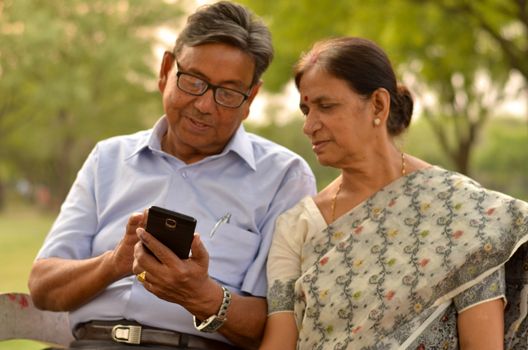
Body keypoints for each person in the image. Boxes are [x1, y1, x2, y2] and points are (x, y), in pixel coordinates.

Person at [28, 2, 316, 349]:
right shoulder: (109, 158)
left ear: (250, 98)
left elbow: (280, 324)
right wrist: (115, 262)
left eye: (227, 93)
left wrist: (203, 296)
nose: (204, 105)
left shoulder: (283, 176)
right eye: (194, 82)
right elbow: (43, 288)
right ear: (166, 70)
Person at [259, 36, 528, 350]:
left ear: (378, 104)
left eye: (326, 106)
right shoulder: (298, 226)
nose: (309, 125)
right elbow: (279, 342)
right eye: (306, 110)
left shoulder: (462, 211)